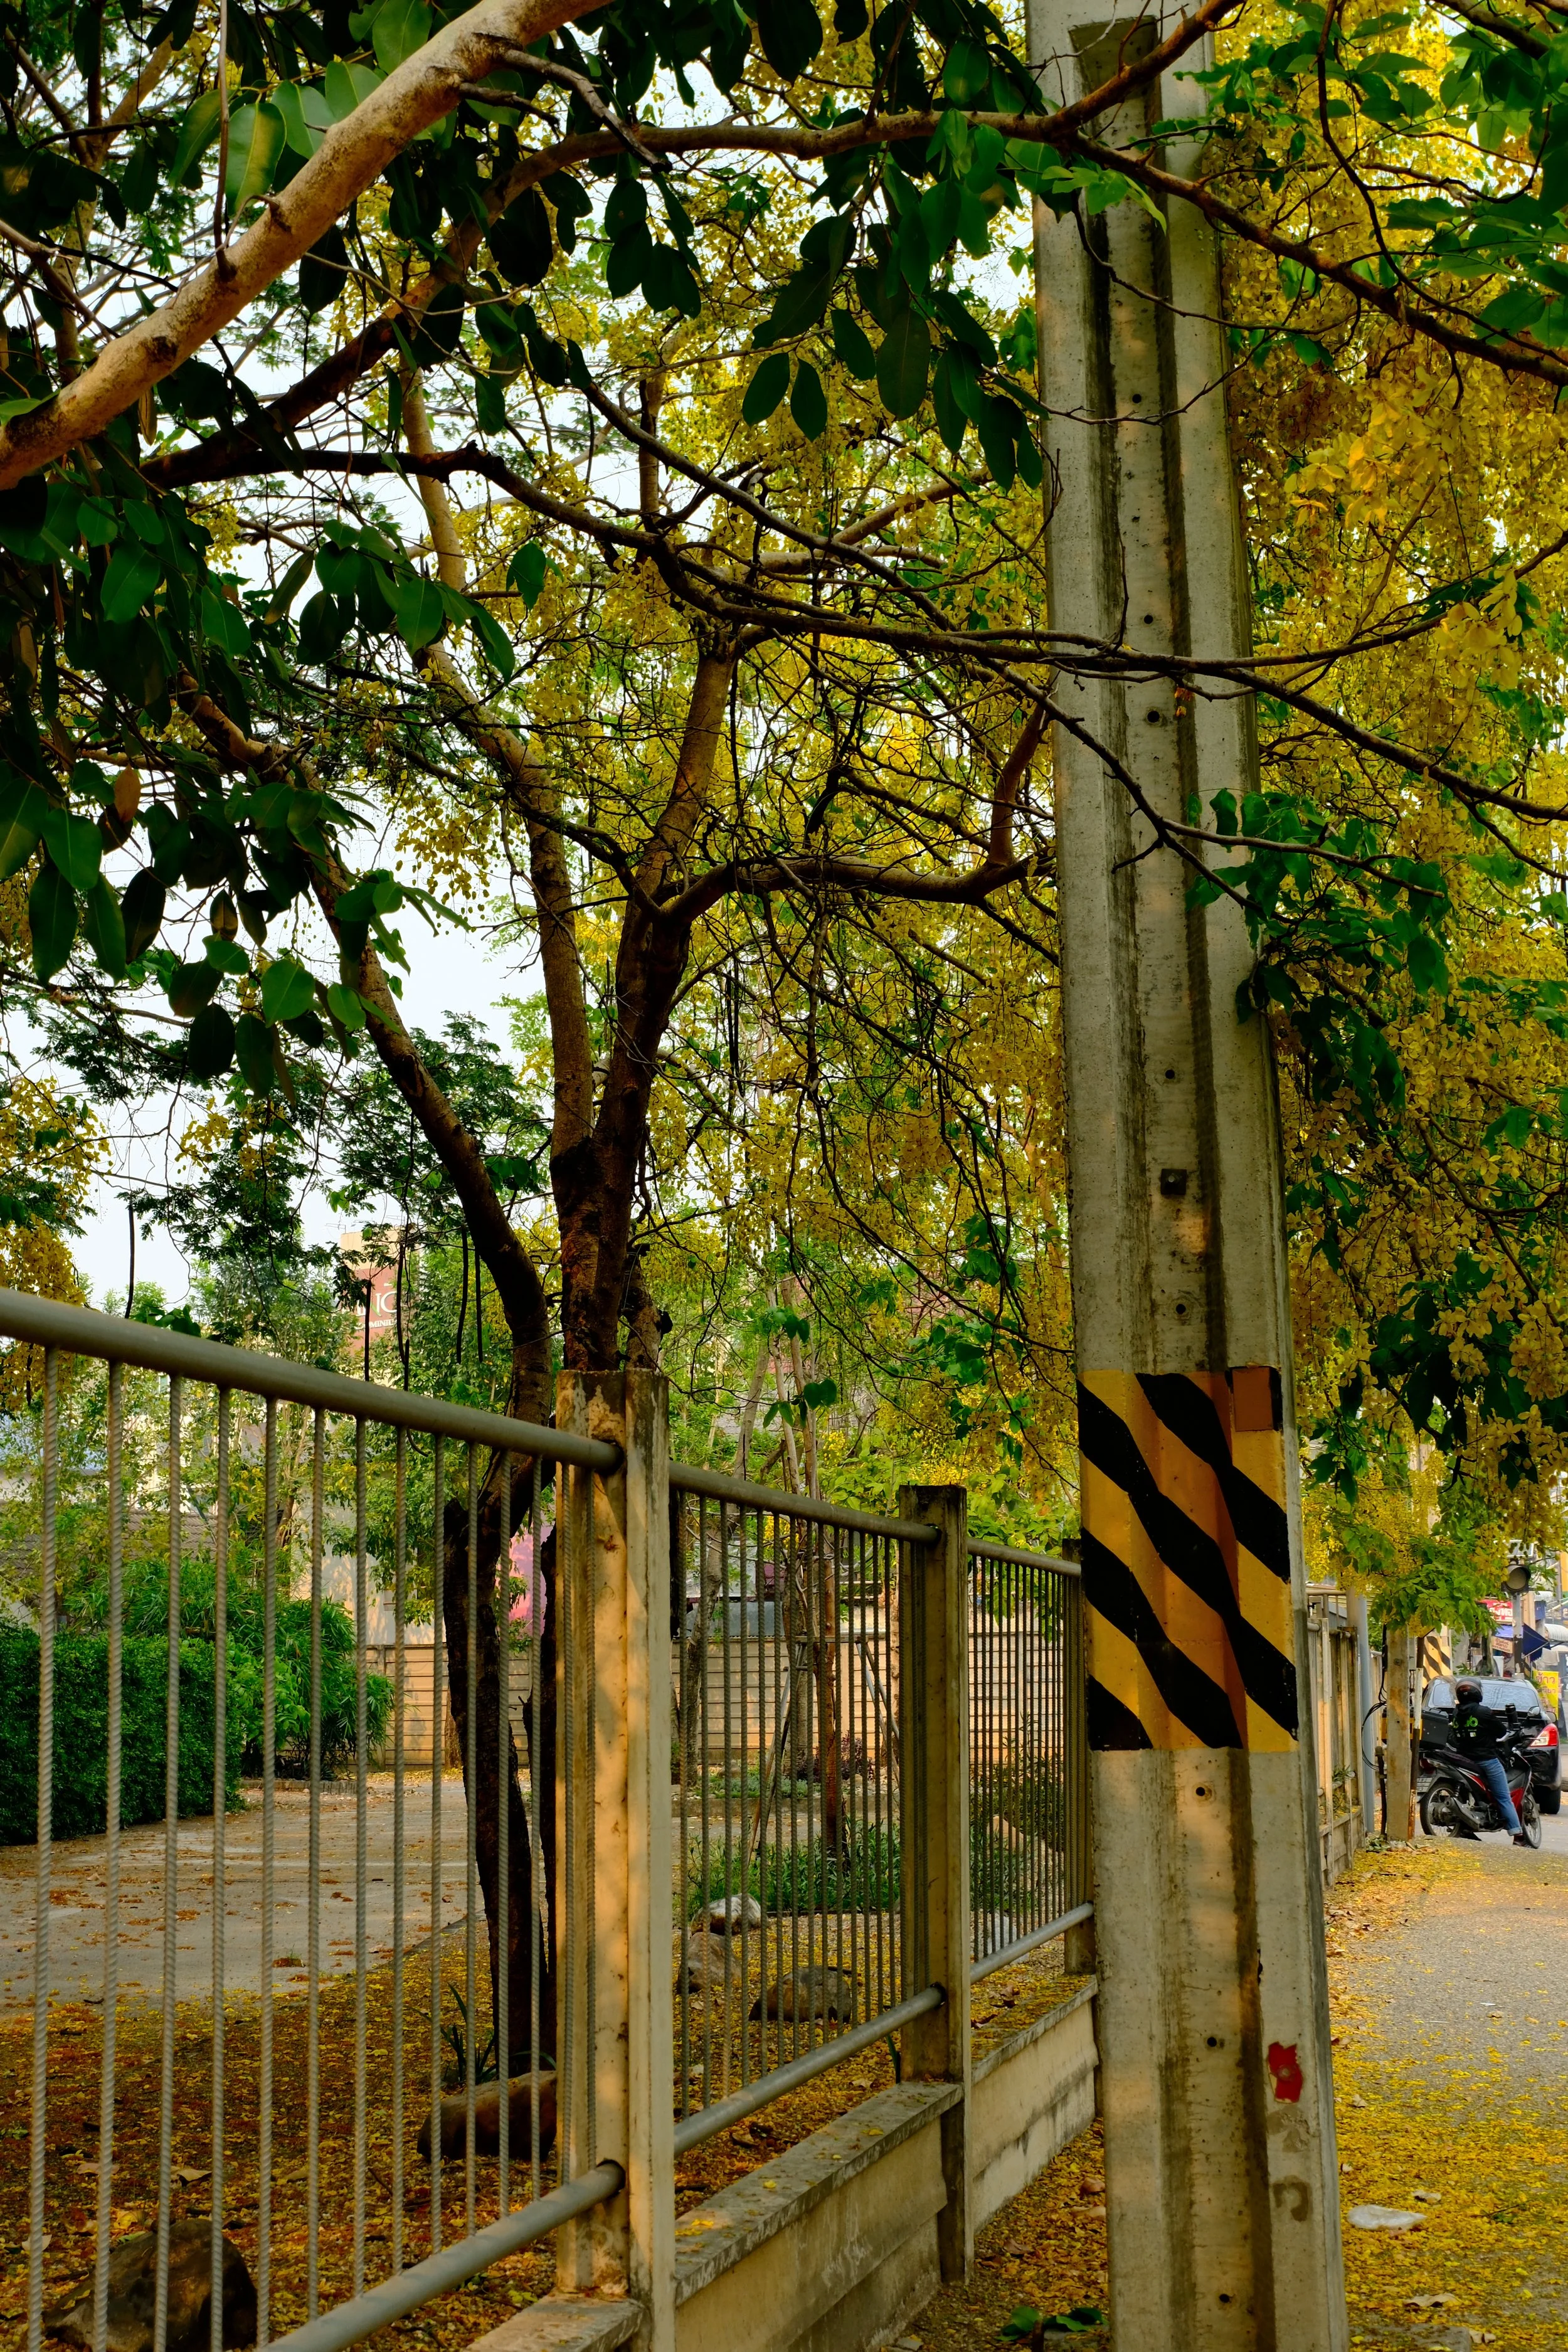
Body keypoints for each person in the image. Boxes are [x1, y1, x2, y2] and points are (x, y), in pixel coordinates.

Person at [1451, 1679, 1531, 1845]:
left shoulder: (1456, 1713)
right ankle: (1517, 1833)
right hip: (1487, 1760)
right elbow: (1502, 1732)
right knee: (1503, 1797)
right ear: (1478, 1693)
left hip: (1464, 1759)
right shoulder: (1484, 1712)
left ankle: (1466, 1827)